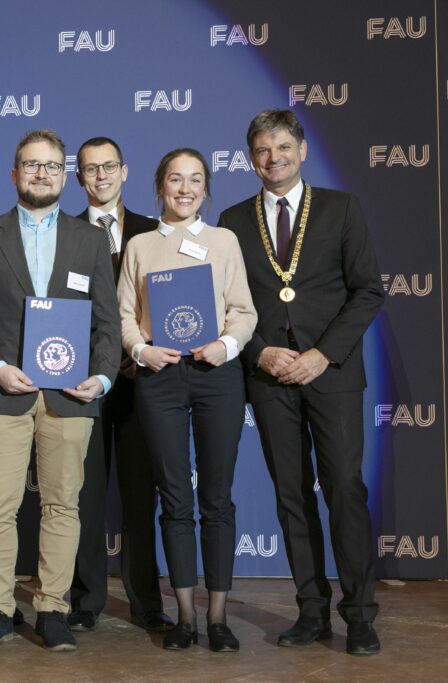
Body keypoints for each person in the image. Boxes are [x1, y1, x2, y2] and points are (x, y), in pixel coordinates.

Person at [218, 109, 384, 656]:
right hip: (268, 377)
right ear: (251, 158)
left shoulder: (341, 208)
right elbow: (228, 300)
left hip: (330, 374)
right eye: (263, 150)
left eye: (284, 147)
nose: (275, 158)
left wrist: (321, 355)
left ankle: (359, 615)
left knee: (344, 490)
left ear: (303, 150)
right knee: (292, 497)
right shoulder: (233, 219)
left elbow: (367, 291)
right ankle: (311, 611)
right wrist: (262, 351)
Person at [0, 129, 121, 652]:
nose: (41, 173)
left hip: (71, 395)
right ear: (13, 173)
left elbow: (107, 324)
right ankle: (0, 609)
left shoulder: (91, 239)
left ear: (65, 175)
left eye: (51, 165)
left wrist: (103, 376)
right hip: (2, 392)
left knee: (63, 506)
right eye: (31, 165)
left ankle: (52, 608)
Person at [116, 148, 256, 652]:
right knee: (175, 500)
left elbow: (243, 309)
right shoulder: (139, 245)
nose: (185, 189)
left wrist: (226, 345)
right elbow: (124, 314)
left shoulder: (224, 241)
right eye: (175, 179)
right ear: (160, 186)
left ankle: (218, 618)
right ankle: (184, 617)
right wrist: (139, 349)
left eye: (195, 180)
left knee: (216, 499)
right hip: (161, 378)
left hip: (217, 375)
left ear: (206, 188)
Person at [68, 136, 173, 633]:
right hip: (81, 382)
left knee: (139, 495)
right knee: (85, 497)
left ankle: (147, 602)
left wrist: (139, 351)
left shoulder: (157, 231)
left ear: (126, 172)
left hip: (140, 382)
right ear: (79, 177)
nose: (101, 176)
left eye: (109, 167)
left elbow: (170, 305)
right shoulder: (63, 233)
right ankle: (85, 601)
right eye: (90, 169)